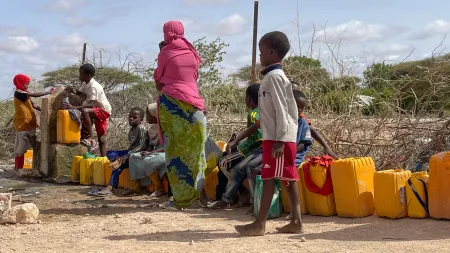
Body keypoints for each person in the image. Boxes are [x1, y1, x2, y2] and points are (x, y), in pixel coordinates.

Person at [235, 31, 302, 236]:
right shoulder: (272, 77)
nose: (260, 56)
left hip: (278, 139)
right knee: (286, 179)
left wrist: (280, 140)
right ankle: (296, 222)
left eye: (261, 52)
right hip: (275, 138)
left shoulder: (274, 78)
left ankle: (259, 224)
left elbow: (282, 109)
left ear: (272, 52)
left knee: (269, 178)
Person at [154, 20, 207, 209]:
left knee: (175, 153)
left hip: (172, 107)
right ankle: (199, 198)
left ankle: (182, 200)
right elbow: (191, 79)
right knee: (196, 154)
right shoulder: (193, 53)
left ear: (166, 33)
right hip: (195, 106)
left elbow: (159, 82)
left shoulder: (165, 53)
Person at [211, 84, 262, 208]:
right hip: (256, 148)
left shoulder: (253, 114)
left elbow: (256, 137)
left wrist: (238, 146)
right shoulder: (264, 111)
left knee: (223, 162)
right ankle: (234, 195)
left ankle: (237, 194)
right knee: (230, 163)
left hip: (253, 149)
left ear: (249, 98)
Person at [98, 107, 148, 196]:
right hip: (130, 152)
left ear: (141, 120)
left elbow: (142, 145)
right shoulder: (132, 130)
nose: (131, 119)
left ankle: (111, 187)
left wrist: (127, 155)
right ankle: (119, 162)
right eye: (130, 116)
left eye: (134, 117)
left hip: (138, 154)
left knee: (118, 165)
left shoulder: (141, 129)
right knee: (110, 153)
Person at [64, 63, 112, 157]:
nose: (79, 76)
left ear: (88, 75)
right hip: (96, 110)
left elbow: (93, 104)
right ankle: (103, 159)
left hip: (103, 110)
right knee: (101, 138)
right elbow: (79, 94)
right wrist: (72, 91)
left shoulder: (94, 87)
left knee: (85, 111)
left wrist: (73, 107)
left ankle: (90, 137)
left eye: (81, 74)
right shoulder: (85, 83)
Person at [128, 103, 169, 198]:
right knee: (133, 157)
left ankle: (159, 188)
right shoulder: (152, 129)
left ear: (155, 115)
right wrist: (146, 152)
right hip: (155, 153)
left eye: (148, 114)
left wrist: (150, 153)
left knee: (148, 161)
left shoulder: (166, 128)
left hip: (165, 152)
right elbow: (151, 145)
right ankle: (135, 187)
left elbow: (168, 147)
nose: (146, 117)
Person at [12, 74, 52, 170]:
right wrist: (48, 92)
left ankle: (21, 168)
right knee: (21, 148)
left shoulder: (24, 94)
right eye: (26, 83)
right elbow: (34, 95)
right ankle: (18, 168)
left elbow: (33, 105)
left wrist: (44, 111)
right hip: (22, 124)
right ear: (20, 82)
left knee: (28, 145)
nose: (28, 85)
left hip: (28, 124)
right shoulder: (19, 92)